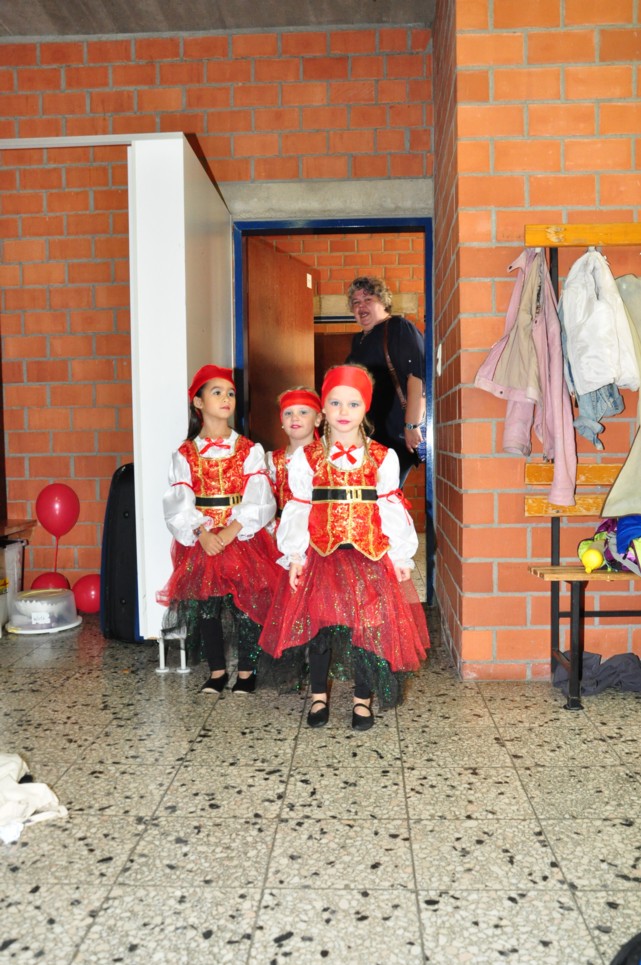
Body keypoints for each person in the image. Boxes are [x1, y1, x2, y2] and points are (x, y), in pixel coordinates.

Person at [259, 364, 429, 731]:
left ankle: (361, 700)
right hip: (322, 557)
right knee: (321, 628)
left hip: (369, 557)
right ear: (323, 408)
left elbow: (390, 507)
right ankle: (319, 695)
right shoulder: (307, 457)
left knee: (367, 628)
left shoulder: (382, 457)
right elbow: (299, 507)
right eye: (335, 402)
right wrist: (294, 555)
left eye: (353, 403)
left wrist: (400, 555)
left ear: (365, 407)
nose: (343, 411)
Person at [157, 364, 279, 695]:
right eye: (217, 392)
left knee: (246, 606)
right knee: (207, 607)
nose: (226, 398)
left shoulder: (249, 449)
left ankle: (247, 672)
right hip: (204, 539)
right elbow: (178, 502)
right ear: (198, 402)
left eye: (231, 393)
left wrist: (231, 530)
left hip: (242, 537)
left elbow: (260, 498)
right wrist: (202, 534)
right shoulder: (185, 453)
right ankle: (216, 671)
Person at [345, 275, 426, 487]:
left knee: (384, 495)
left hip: (394, 434)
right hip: (367, 436)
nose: (361, 306)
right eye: (356, 302)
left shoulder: (398, 328)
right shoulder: (358, 340)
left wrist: (411, 424)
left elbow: (417, 376)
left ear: (383, 302)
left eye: (368, 299)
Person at [266, 386, 322, 520]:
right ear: (282, 420)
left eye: (303, 412)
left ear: (318, 419)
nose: (294, 418)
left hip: (315, 529)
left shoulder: (327, 458)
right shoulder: (271, 461)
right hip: (281, 529)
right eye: (288, 413)